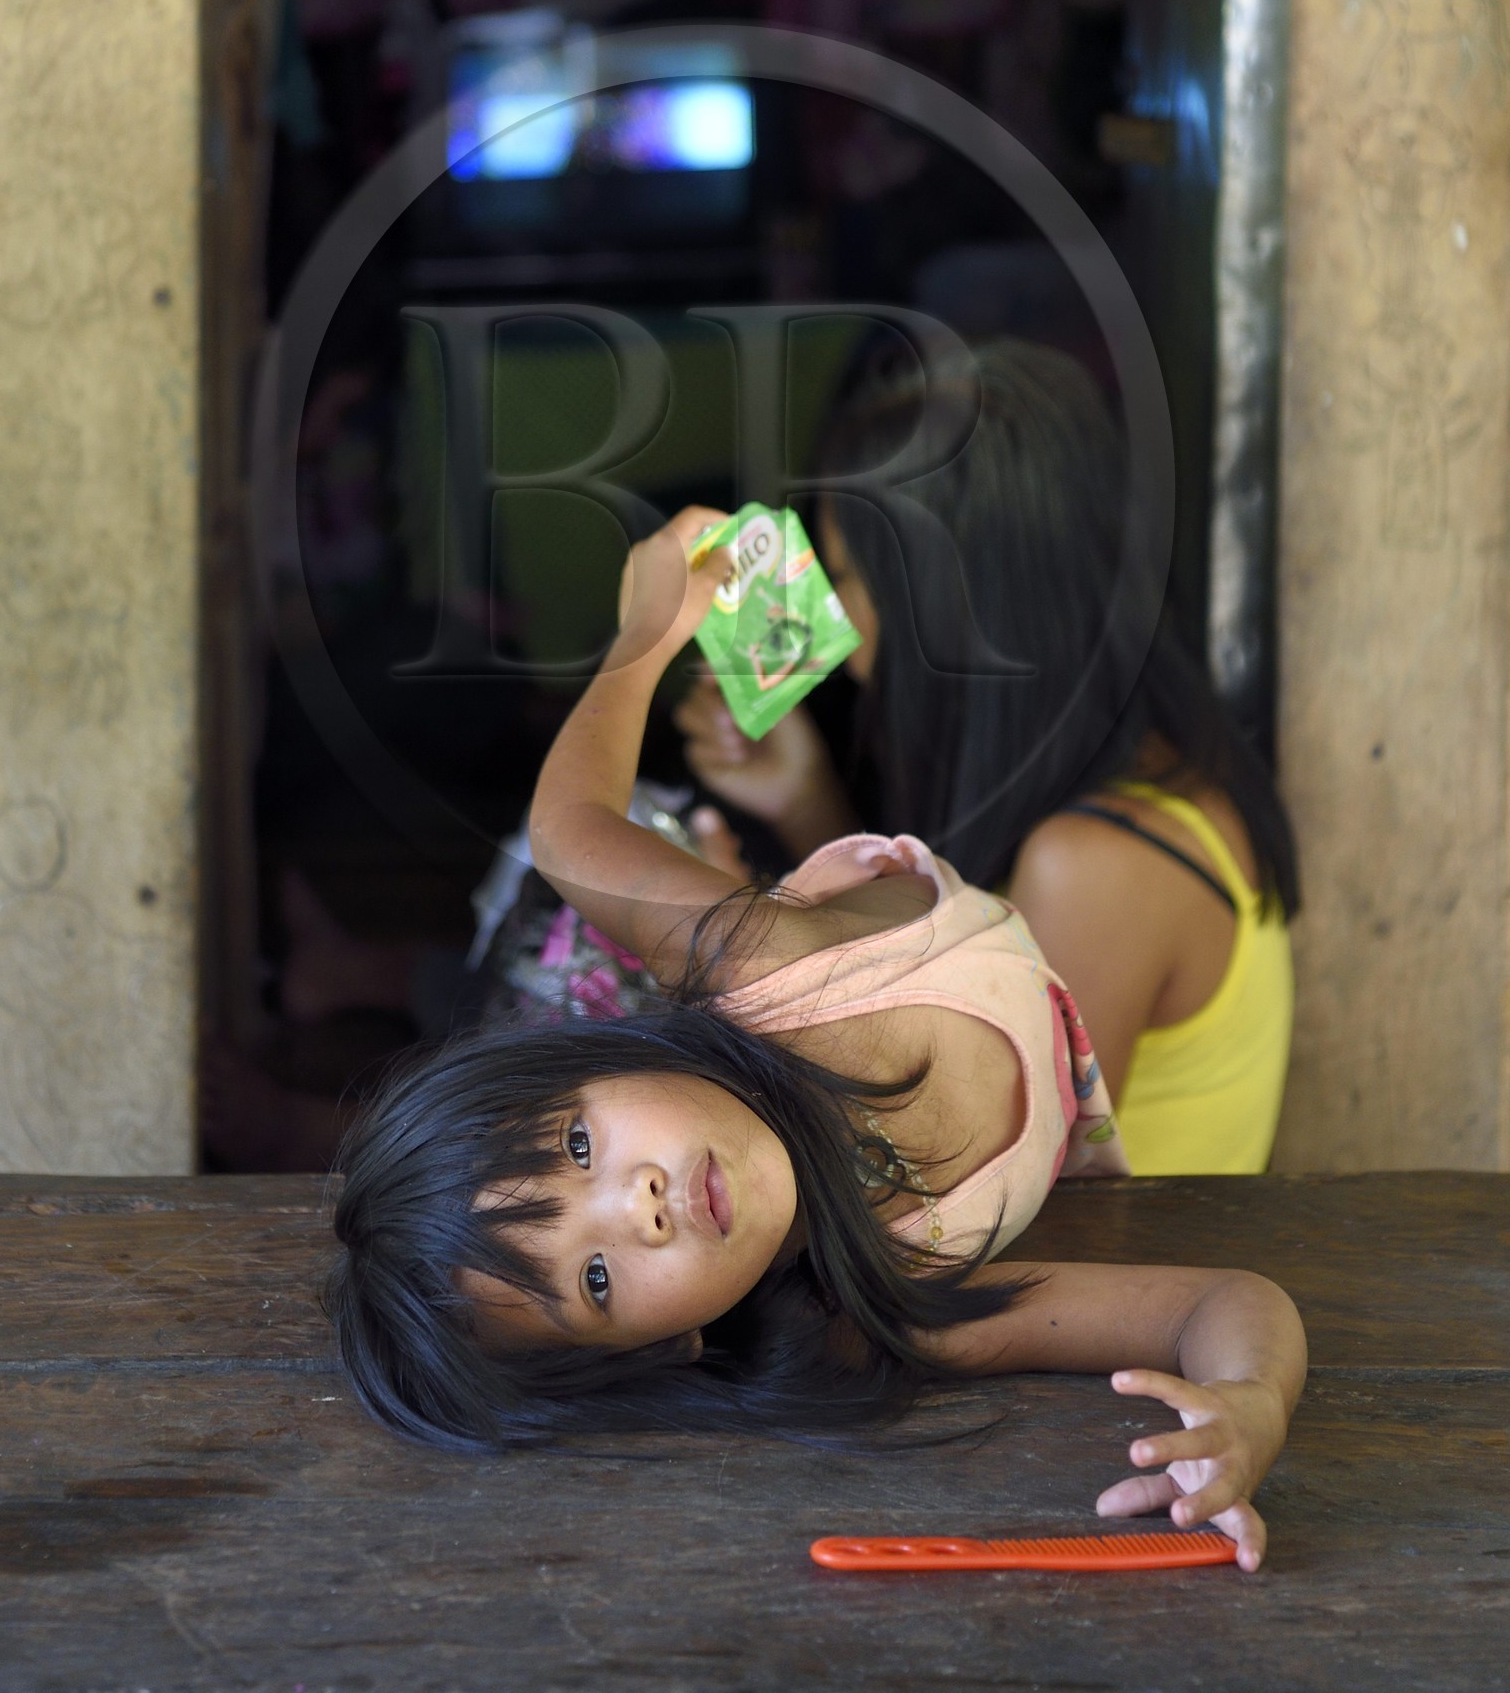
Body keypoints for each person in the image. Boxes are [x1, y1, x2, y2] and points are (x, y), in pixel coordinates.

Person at [328, 507, 1306, 1565]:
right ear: (673, 1344)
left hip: (866, 932)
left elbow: (568, 837)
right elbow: (1217, 1300)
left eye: (575, 1147)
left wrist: (645, 635)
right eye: (597, 1280)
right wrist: (1247, 1405)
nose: (638, 1208)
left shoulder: (760, 961)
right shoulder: (891, 1303)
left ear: (603, 1056)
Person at [675, 340, 1299, 1174]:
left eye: (853, 582)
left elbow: (958, 1167)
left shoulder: (1095, 867)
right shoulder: (1154, 763)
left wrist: (739, 944)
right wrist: (807, 798)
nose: (843, 634)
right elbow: (955, 964)